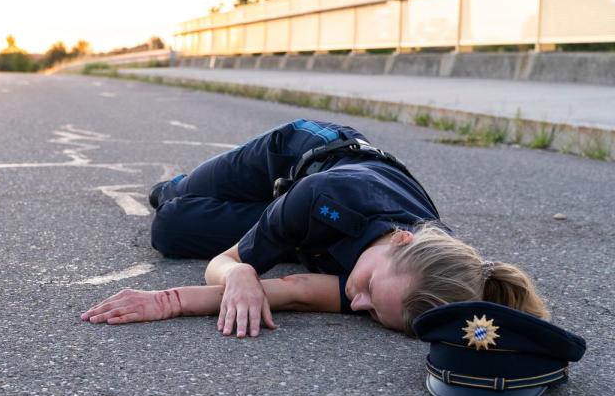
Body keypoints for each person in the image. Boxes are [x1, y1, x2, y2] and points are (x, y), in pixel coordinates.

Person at [82, 118, 549, 337]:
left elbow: (294, 290)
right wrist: (242, 272)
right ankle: (177, 184)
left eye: (367, 310)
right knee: (174, 202)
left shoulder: (406, 283)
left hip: (305, 226)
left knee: (173, 228)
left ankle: (268, 225)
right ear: (402, 240)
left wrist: (163, 303)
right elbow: (227, 266)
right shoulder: (329, 196)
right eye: (363, 288)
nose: (354, 299)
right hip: (300, 159)